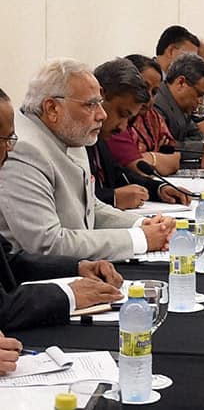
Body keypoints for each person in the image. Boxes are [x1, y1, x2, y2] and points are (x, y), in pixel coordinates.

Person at [0, 59, 174, 261]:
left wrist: (142, 225)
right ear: (52, 108)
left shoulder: (69, 134)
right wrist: (139, 239)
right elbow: (47, 244)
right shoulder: (22, 150)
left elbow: (89, 208)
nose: (102, 114)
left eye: (100, 103)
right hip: (36, 282)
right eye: (91, 105)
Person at [0, 87, 124, 332]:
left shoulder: (74, 147)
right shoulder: (29, 154)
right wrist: (68, 294)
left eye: (11, 138)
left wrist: (77, 267)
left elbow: (9, 261)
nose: (9, 150)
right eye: (3, 140)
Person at [87, 58, 191, 209]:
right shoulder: (77, 137)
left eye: (128, 119)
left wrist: (159, 189)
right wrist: (113, 198)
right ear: (101, 96)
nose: (123, 127)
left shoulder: (100, 136)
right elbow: (74, 198)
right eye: (122, 114)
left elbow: (119, 175)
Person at [107, 55, 182, 177]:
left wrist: (150, 157)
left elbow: (175, 159)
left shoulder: (152, 117)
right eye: (143, 87)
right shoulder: (116, 121)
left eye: (154, 92)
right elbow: (139, 168)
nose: (149, 98)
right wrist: (156, 157)